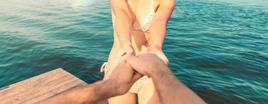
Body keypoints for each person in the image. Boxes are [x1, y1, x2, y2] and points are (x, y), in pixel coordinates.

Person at [103, 0, 176, 104]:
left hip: (147, 66)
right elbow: (122, 14)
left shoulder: (166, 0)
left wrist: (156, 46)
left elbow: (159, 22)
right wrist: (126, 45)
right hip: (120, 65)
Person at [40, 47, 206, 104]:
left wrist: (109, 86)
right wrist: (157, 69)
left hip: (130, 69)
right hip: (134, 65)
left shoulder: (164, 0)